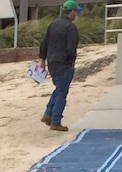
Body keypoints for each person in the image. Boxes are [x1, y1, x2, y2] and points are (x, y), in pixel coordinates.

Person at [39, 0, 80, 132]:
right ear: (72, 11)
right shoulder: (71, 28)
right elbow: (71, 48)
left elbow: (44, 42)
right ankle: (55, 121)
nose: (76, 14)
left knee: (58, 89)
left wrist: (42, 60)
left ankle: (48, 113)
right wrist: (72, 62)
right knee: (62, 92)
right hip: (64, 63)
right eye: (76, 11)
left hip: (52, 62)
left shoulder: (54, 24)